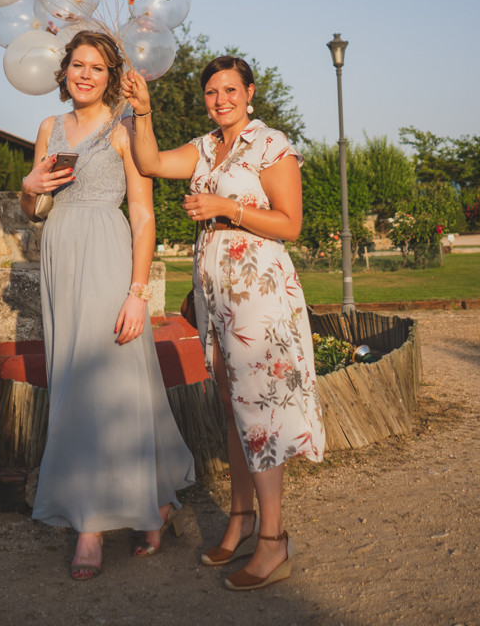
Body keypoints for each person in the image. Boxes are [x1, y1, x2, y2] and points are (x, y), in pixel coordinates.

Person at [121, 56, 325, 592]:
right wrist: (142, 112)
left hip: (260, 297)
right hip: (217, 301)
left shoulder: (270, 144)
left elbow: (291, 223)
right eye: (212, 92)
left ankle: (275, 543)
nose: (221, 99)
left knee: (260, 413)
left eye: (230, 89)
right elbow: (149, 163)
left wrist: (224, 206)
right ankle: (241, 519)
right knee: (235, 411)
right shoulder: (206, 147)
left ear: (249, 91)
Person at [19, 30, 195, 581]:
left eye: (97, 66)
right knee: (74, 383)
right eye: (77, 64)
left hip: (109, 257)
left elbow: (143, 216)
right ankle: (142, 506)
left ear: (111, 74)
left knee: (114, 383)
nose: (86, 74)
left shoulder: (124, 126)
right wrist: (29, 185)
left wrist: (138, 294)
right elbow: (34, 209)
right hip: (60, 258)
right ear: (64, 70)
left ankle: (97, 527)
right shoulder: (49, 127)